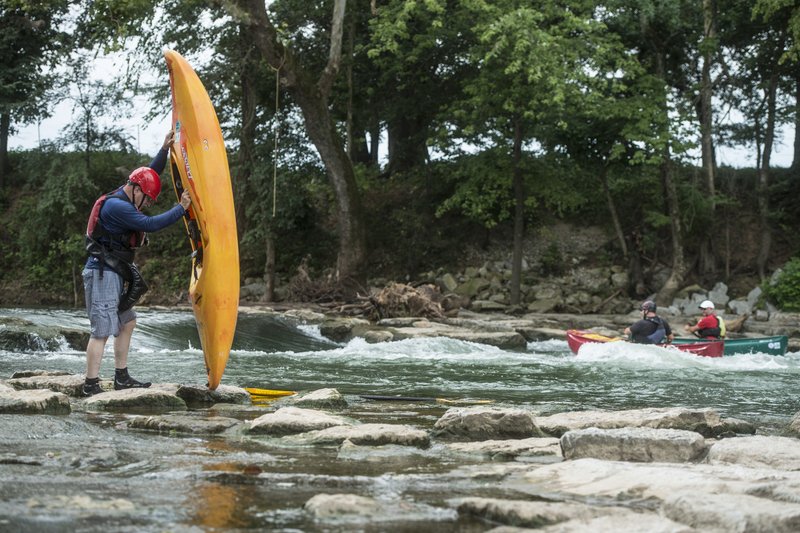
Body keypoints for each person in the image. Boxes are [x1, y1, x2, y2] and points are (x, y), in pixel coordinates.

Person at [81, 131, 191, 397]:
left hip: (114, 271)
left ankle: (121, 377)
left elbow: (150, 174)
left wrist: (164, 150)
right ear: (136, 190)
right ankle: (90, 385)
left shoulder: (131, 189)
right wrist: (182, 208)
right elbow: (150, 225)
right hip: (102, 273)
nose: (146, 205)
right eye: (147, 199)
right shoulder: (118, 207)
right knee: (101, 332)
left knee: (127, 322)